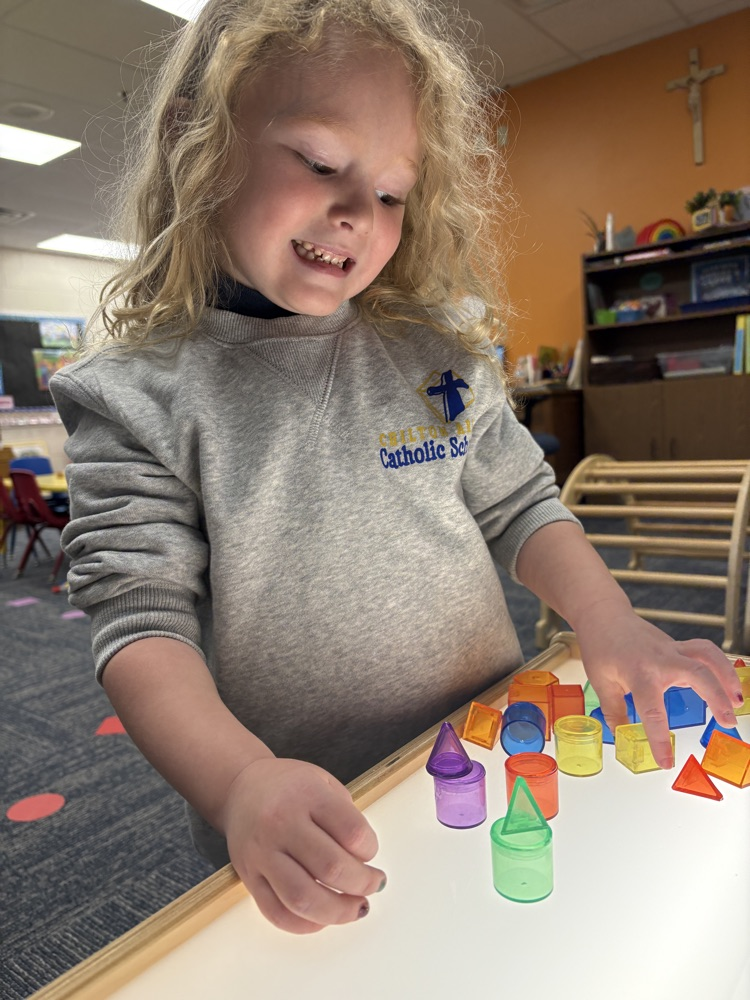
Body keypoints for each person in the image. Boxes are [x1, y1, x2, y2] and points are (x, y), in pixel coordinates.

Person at [50, 0, 742, 935]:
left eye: (391, 192)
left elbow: (521, 505)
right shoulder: (134, 395)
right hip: (310, 823)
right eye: (319, 161)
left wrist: (609, 618)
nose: (355, 214)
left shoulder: (434, 350)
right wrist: (239, 782)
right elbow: (141, 624)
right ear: (194, 139)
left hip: (496, 751)